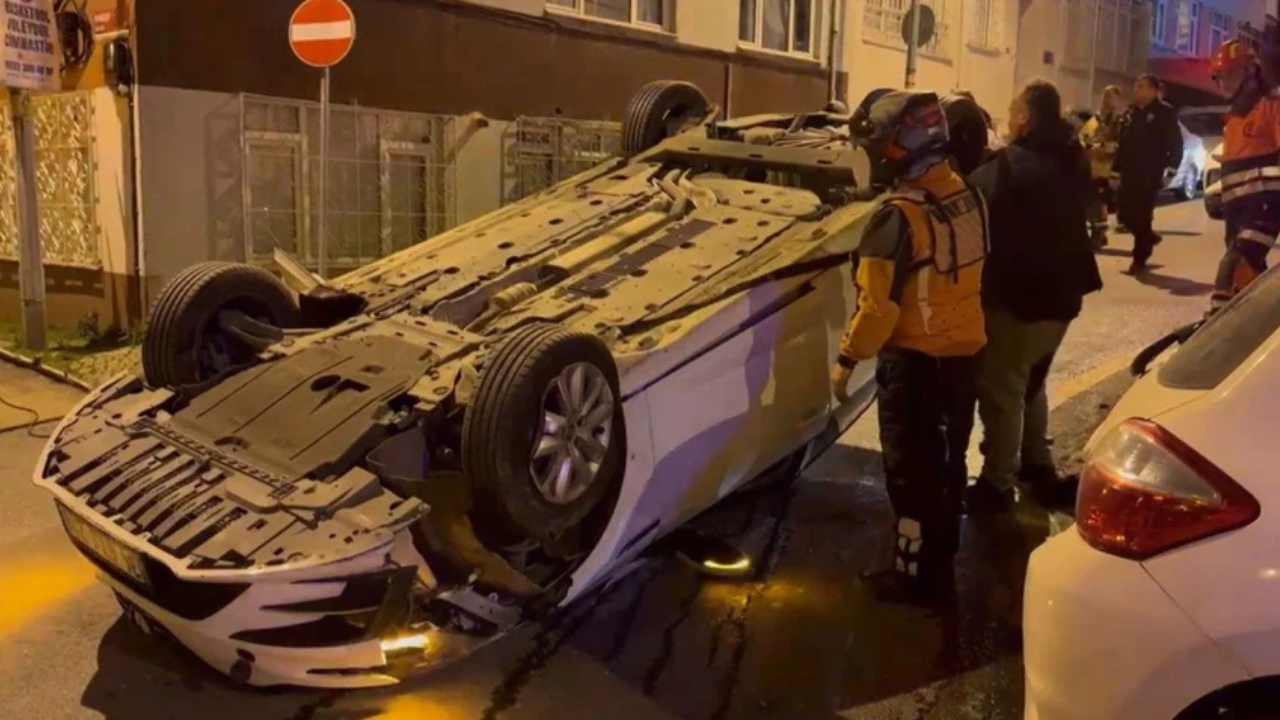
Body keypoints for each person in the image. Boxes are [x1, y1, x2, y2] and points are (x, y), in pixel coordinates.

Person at [831, 90, 989, 593]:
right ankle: (942, 557)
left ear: (899, 149)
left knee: (909, 473)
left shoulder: (897, 218)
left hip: (916, 364)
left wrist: (846, 359)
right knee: (950, 461)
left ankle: (913, 575)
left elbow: (878, 308)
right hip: (965, 355)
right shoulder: (968, 196)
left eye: (877, 146)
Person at [966, 80, 1103, 510]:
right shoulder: (1070, 159)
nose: (1007, 120)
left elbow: (970, 200)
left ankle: (996, 484)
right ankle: (1037, 464)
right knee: (1032, 383)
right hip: (1062, 299)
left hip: (1018, 299)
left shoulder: (1008, 166)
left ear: (1024, 118)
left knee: (1003, 389)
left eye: (1011, 113)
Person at [1208, 39, 1280, 310]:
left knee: (1233, 270)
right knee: (1251, 283)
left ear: (1251, 71)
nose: (1223, 83)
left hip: (1266, 209)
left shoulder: (1272, 105)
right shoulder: (1234, 118)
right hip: (1238, 212)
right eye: (1218, 77)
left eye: (1229, 74)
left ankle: (1214, 338)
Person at [1113, 74, 1183, 275]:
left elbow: (1175, 143)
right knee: (1124, 215)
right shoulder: (1130, 113)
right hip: (1128, 171)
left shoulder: (1164, 113)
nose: (1136, 90)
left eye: (1141, 86)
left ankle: (1139, 259)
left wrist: (1171, 170)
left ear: (1153, 90)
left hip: (1150, 173)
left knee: (1142, 216)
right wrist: (1115, 171)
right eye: (1135, 86)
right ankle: (1148, 236)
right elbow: (1122, 143)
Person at [1079, 85, 1125, 248]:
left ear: (1117, 101)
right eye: (1104, 96)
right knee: (1089, 201)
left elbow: (1120, 145)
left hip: (1106, 170)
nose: (1105, 100)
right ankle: (1096, 232)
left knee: (1099, 202)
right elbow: (1083, 138)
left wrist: (1104, 146)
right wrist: (1092, 146)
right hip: (1091, 167)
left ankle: (1099, 234)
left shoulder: (1119, 122)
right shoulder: (1095, 120)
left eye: (1110, 97)